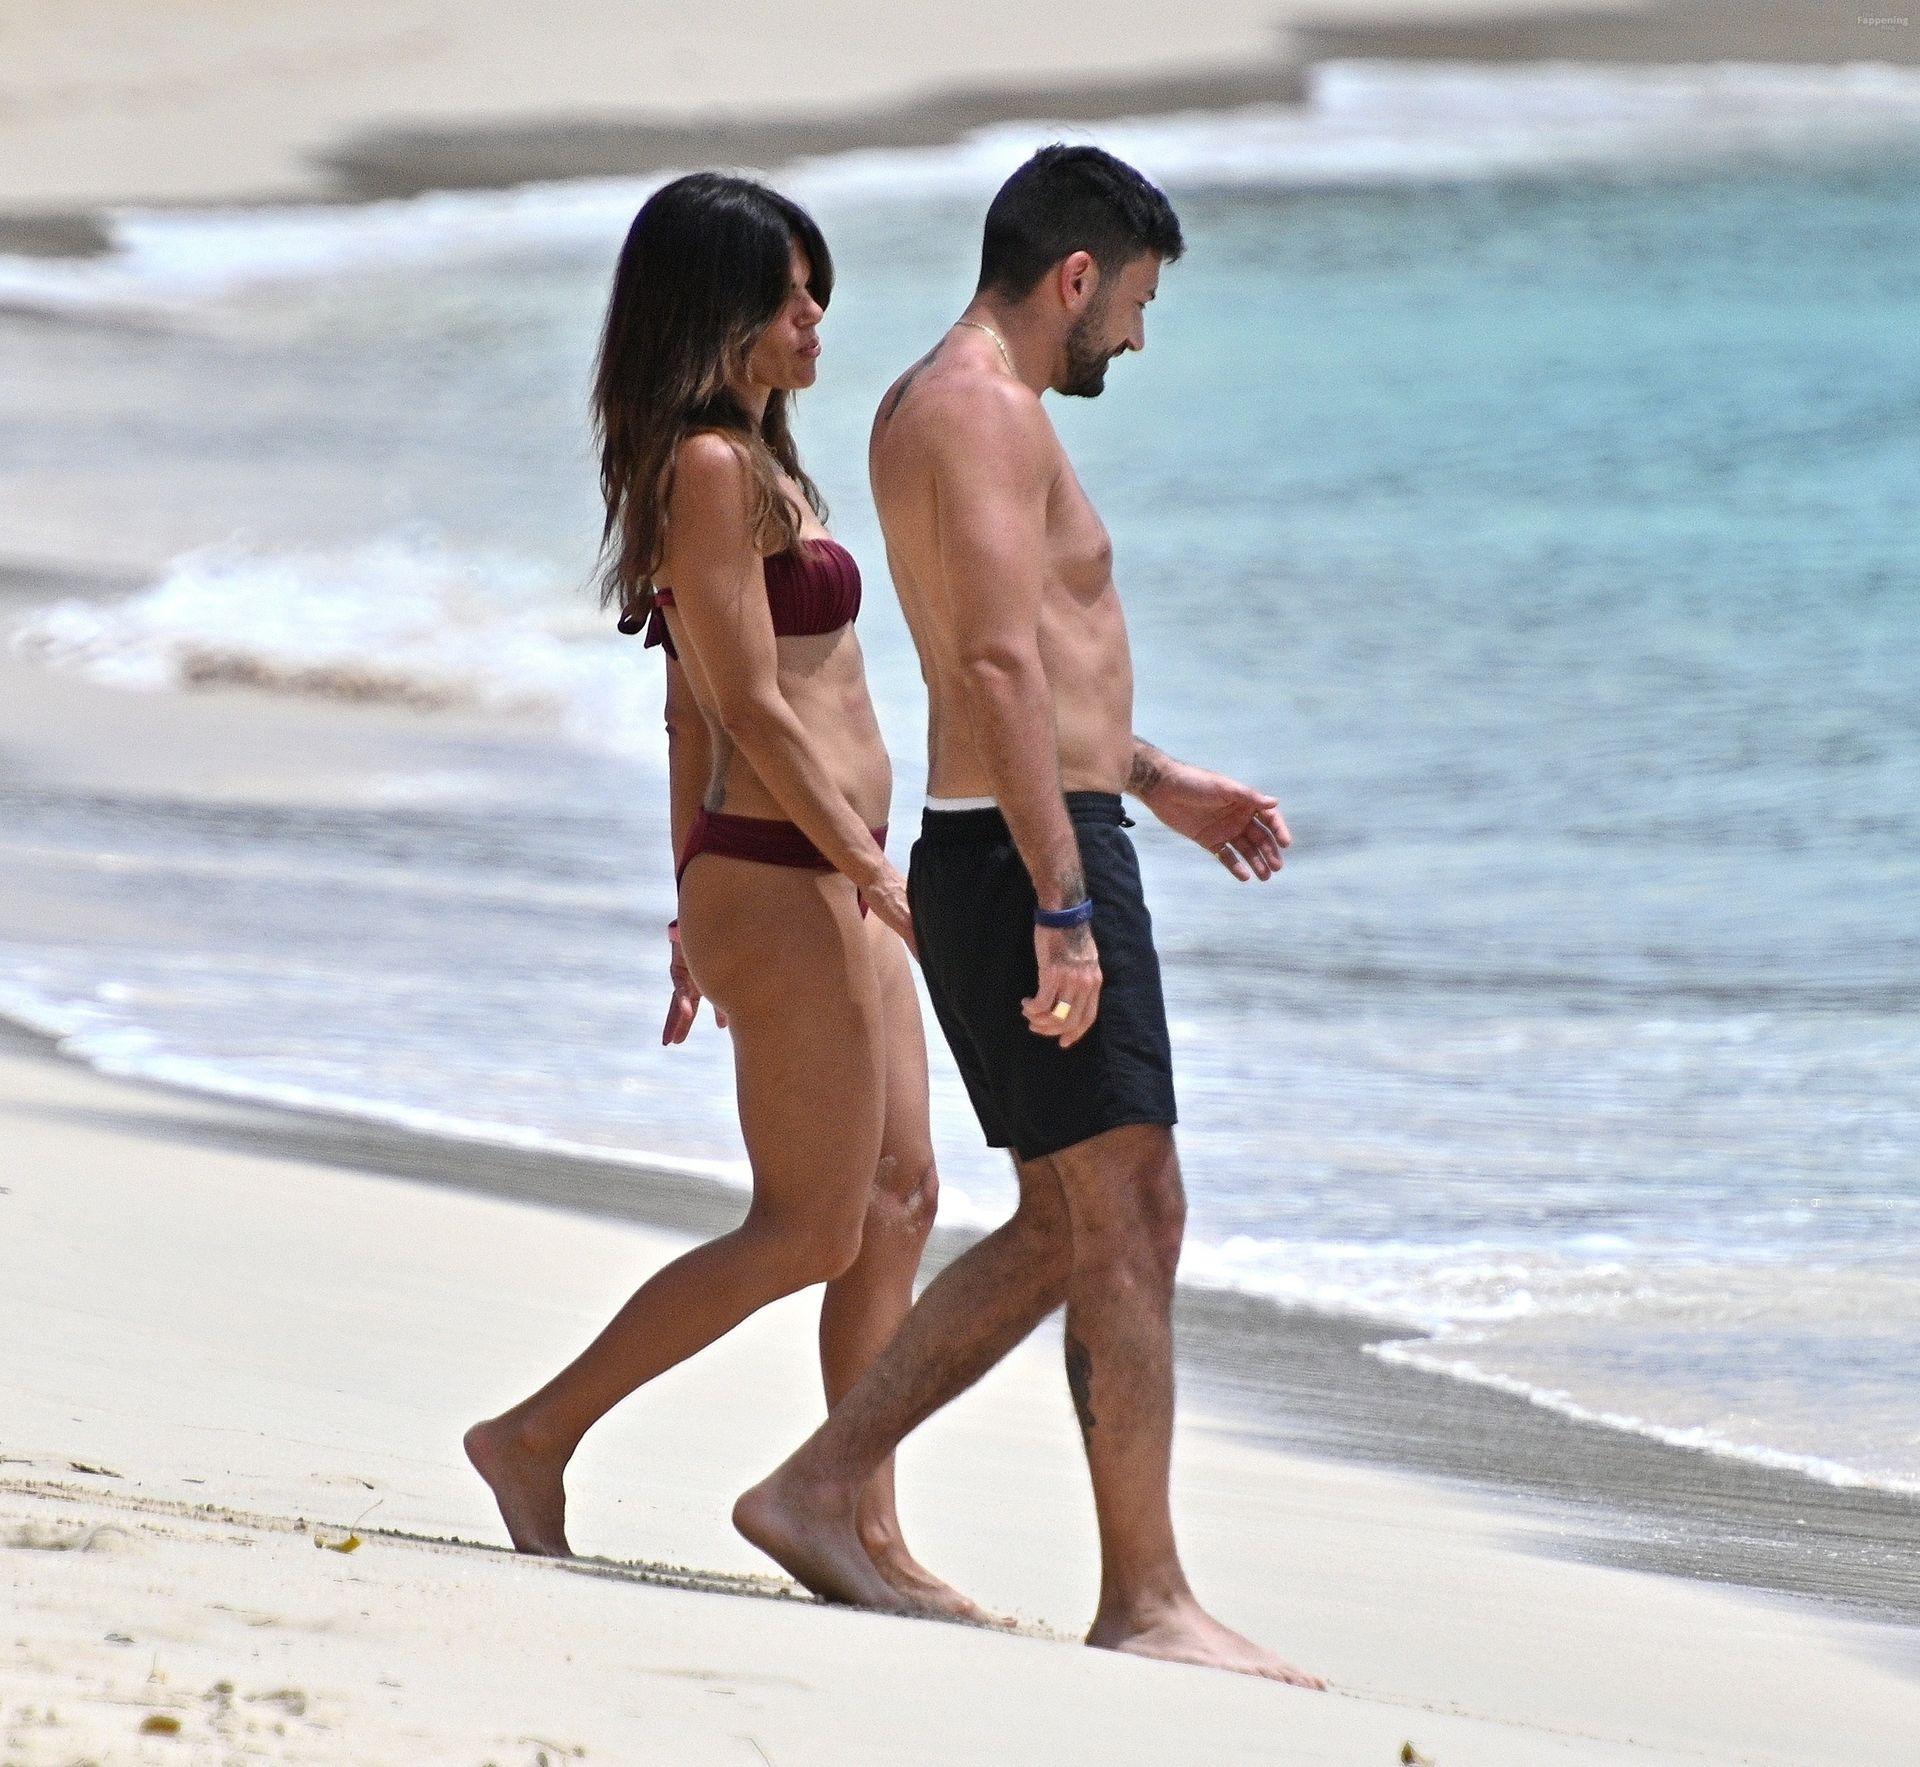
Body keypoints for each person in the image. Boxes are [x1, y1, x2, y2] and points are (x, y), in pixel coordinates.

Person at [733, 146, 1324, 1687]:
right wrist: (1067, 902)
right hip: (1023, 857)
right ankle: (1145, 1597)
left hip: (1018, 839)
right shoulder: (981, 408)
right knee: (1128, 1210)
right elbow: (993, 666)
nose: (1136, 335)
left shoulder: (945, 404)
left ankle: (820, 1489)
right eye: (1134, 302)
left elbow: (1022, 669)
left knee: (1085, 1217)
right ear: (1076, 276)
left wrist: (1159, 781)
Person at [464, 172, 977, 1621]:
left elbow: (688, 709)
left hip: (808, 871)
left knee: (901, 1196)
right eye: (788, 297)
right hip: (796, 869)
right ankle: (532, 1435)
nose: (816, 320)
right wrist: (854, 870)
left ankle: (860, 1520)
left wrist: (693, 893)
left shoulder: (757, 461)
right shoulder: (706, 466)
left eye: (819, 293)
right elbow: (745, 702)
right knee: (809, 1225)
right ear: (714, 311)